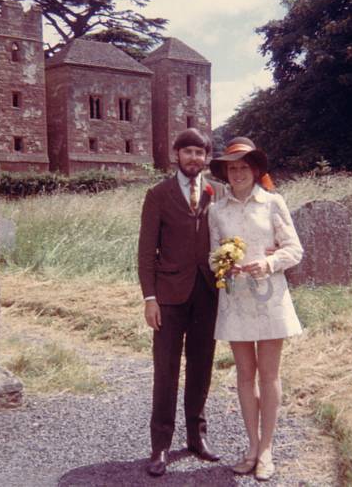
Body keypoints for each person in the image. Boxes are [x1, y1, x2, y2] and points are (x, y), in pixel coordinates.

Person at [208, 137, 303, 481]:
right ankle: (250, 447)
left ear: (255, 169)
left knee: (269, 375)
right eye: (231, 168)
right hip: (236, 299)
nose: (237, 173)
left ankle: (267, 449)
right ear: (225, 172)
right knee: (245, 376)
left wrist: (270, 262)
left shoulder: (273, 202)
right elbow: (210, 255)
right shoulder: (217, 210)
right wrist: (223, 264)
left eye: (243, 167)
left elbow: (294, 249)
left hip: (270, 298)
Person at [138, 128, 225, 477]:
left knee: (202, 369)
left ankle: (196, 438)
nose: (193, 158)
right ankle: (160, 445)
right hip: (169, 297)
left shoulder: (219, 192)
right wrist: (150, 298)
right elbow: (146, 252)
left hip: (208, 293)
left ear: (206, 157)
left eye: (199, 153)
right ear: (177, 154)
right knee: (166, 371)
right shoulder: (157, 194)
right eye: (187, 151)